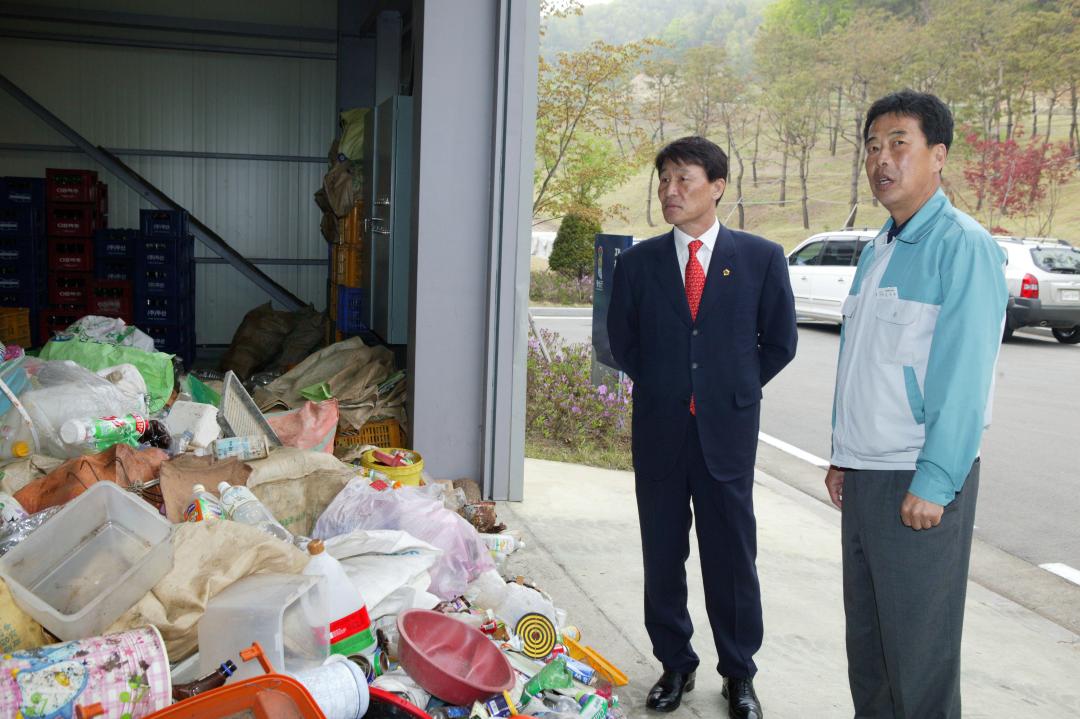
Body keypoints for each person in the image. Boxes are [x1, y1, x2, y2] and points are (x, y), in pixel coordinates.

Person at [825, 90, 1007, 718]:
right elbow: (863, 363)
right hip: (866, 473)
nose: (882, 158)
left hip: (918, 478)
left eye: (899, 143)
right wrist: (841, 454)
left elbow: (966, 374)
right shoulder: (881, 246)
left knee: (918, 659)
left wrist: (935, 479)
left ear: (939, 155)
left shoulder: (962, 245)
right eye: (873, 146)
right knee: (870, 651)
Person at [607, 136, 797, 718]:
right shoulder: (638, 263)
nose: (670, 190)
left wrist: (729, 389)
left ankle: (739, 673)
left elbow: (779, 343)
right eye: (664, 179)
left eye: (683, 178)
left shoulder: (762, 258)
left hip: (727, 435)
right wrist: (673, 387)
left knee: (731, 557)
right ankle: (675, 663)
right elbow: (623, 342)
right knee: (662, 553)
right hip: (661, 431)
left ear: (716, 186)